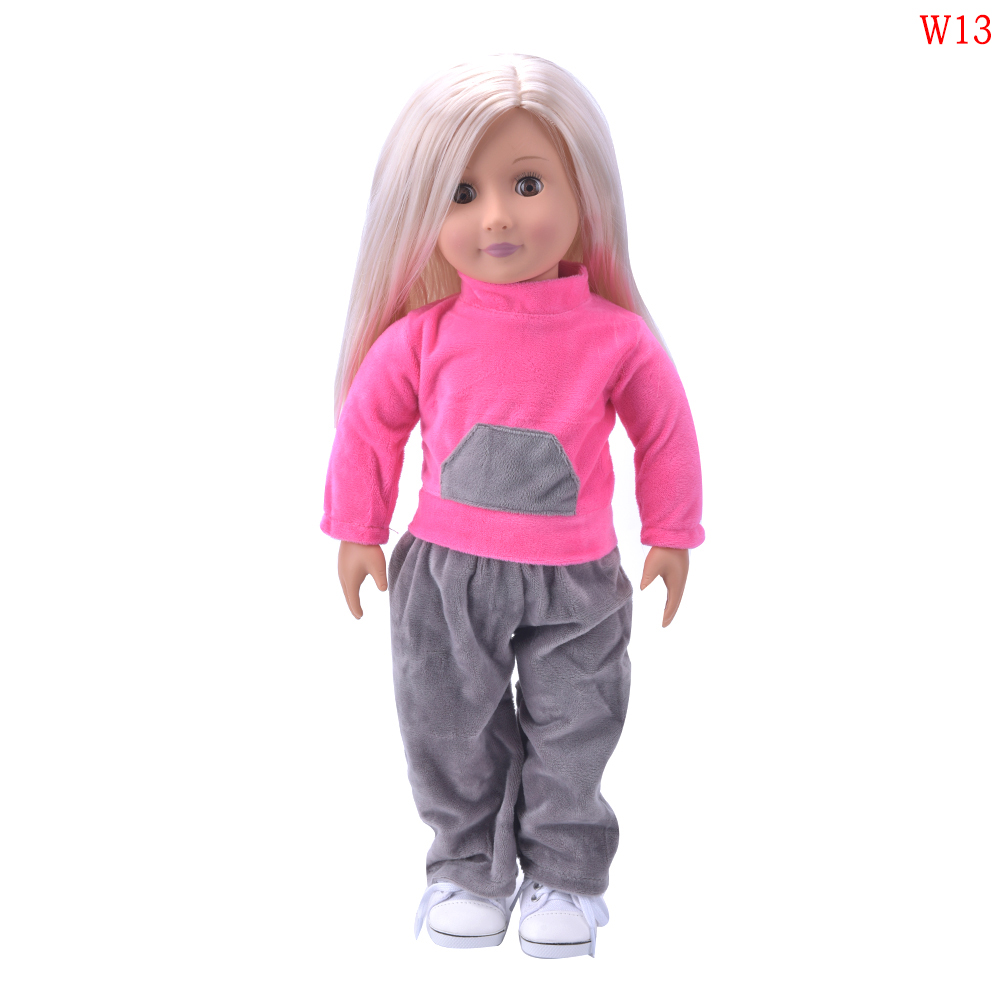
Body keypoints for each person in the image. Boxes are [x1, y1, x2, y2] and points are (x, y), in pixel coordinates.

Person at [322, 54, 704, 959]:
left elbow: (664, 433)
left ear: (582, 192)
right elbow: (370, 429)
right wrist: (357, 529)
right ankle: (467, 868)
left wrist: (671, 533)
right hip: (446, 575)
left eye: (527, 184)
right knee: (446, 724)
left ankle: (566, 877)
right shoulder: (423, 338)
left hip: (578, 581)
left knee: (579, 724)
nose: (496, 215)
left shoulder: (616, 339)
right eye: (462, 193)